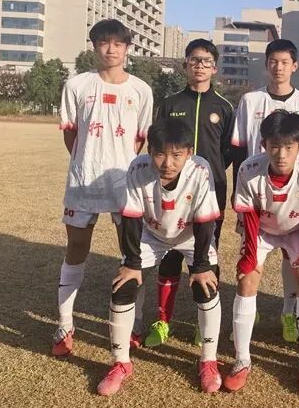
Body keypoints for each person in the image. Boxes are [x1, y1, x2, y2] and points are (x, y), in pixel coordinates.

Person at [96, 118, 223, 396]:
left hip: (190, 235)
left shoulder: (201, 169)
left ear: (189, 153)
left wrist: (201, 266)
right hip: (151, 235)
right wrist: (132, 263)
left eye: (177, 155)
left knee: (206, 287)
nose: (168, 163)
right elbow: (131, 218)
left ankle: (208, 360)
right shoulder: (137, 168)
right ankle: (120, 363)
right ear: (149, 150)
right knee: (123, 287)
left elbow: (205, 222)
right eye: (160, 154)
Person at [52, 18, 153, 357]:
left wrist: (119, 163)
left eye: (118, 43)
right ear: (94, 46)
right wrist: (87, 160)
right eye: (104, 42)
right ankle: (65, 324)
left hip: (125, 183)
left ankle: (135, 321)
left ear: (127, 48)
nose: (111, 49)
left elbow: (139, 139)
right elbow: (71, 134)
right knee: (77, 247)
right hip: (83, 181)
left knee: (132, 253)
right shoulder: (77, 85)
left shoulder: (141, 90)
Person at [224, 110, 299, 395]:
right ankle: (242, 360)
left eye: (289, 147)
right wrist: (249, 256)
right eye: (274, 146)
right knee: (247, 279)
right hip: (262, 228)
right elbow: (249, 214)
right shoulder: (248, 169)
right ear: (264, 144)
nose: (281, 154)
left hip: (297, 228)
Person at [144, 38, 234, 348]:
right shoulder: (170, 103)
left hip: (210, 191)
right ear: (185, 64)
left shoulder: (224, 107)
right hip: (170, 191)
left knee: (206, 254)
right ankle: (162, 321)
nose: (200, 66)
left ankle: (202, 323)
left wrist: (208, 173)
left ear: (215, 68)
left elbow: (227, 150)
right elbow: (158, 143)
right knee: (169, 254)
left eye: (206, 61)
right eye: (194, 60)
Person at [231, 39, 299, 343]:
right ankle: (248, 311)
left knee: (293, 261)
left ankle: (288, 312)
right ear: (266, 65)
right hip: (257, 192)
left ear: (295, 66)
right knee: (252, 258)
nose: (279, 68)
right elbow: (239, 149)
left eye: (285, 62)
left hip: (293, 196)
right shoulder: (250, 101)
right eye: (273, 62)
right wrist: (239, 193)